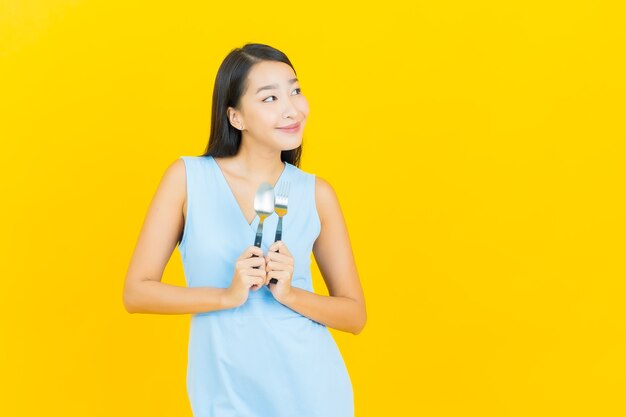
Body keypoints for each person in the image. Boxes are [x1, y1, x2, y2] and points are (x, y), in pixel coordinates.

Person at [123, 43, 366, 417]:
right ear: (236, 117)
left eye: (295, 91)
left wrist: (290, 294)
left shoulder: (317, 193)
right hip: (226, 394)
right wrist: (226, 296)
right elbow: (136, 293)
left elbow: (354, 316)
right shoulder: (187, 179)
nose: (292, 108)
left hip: (313, 394)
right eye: (270, 98)